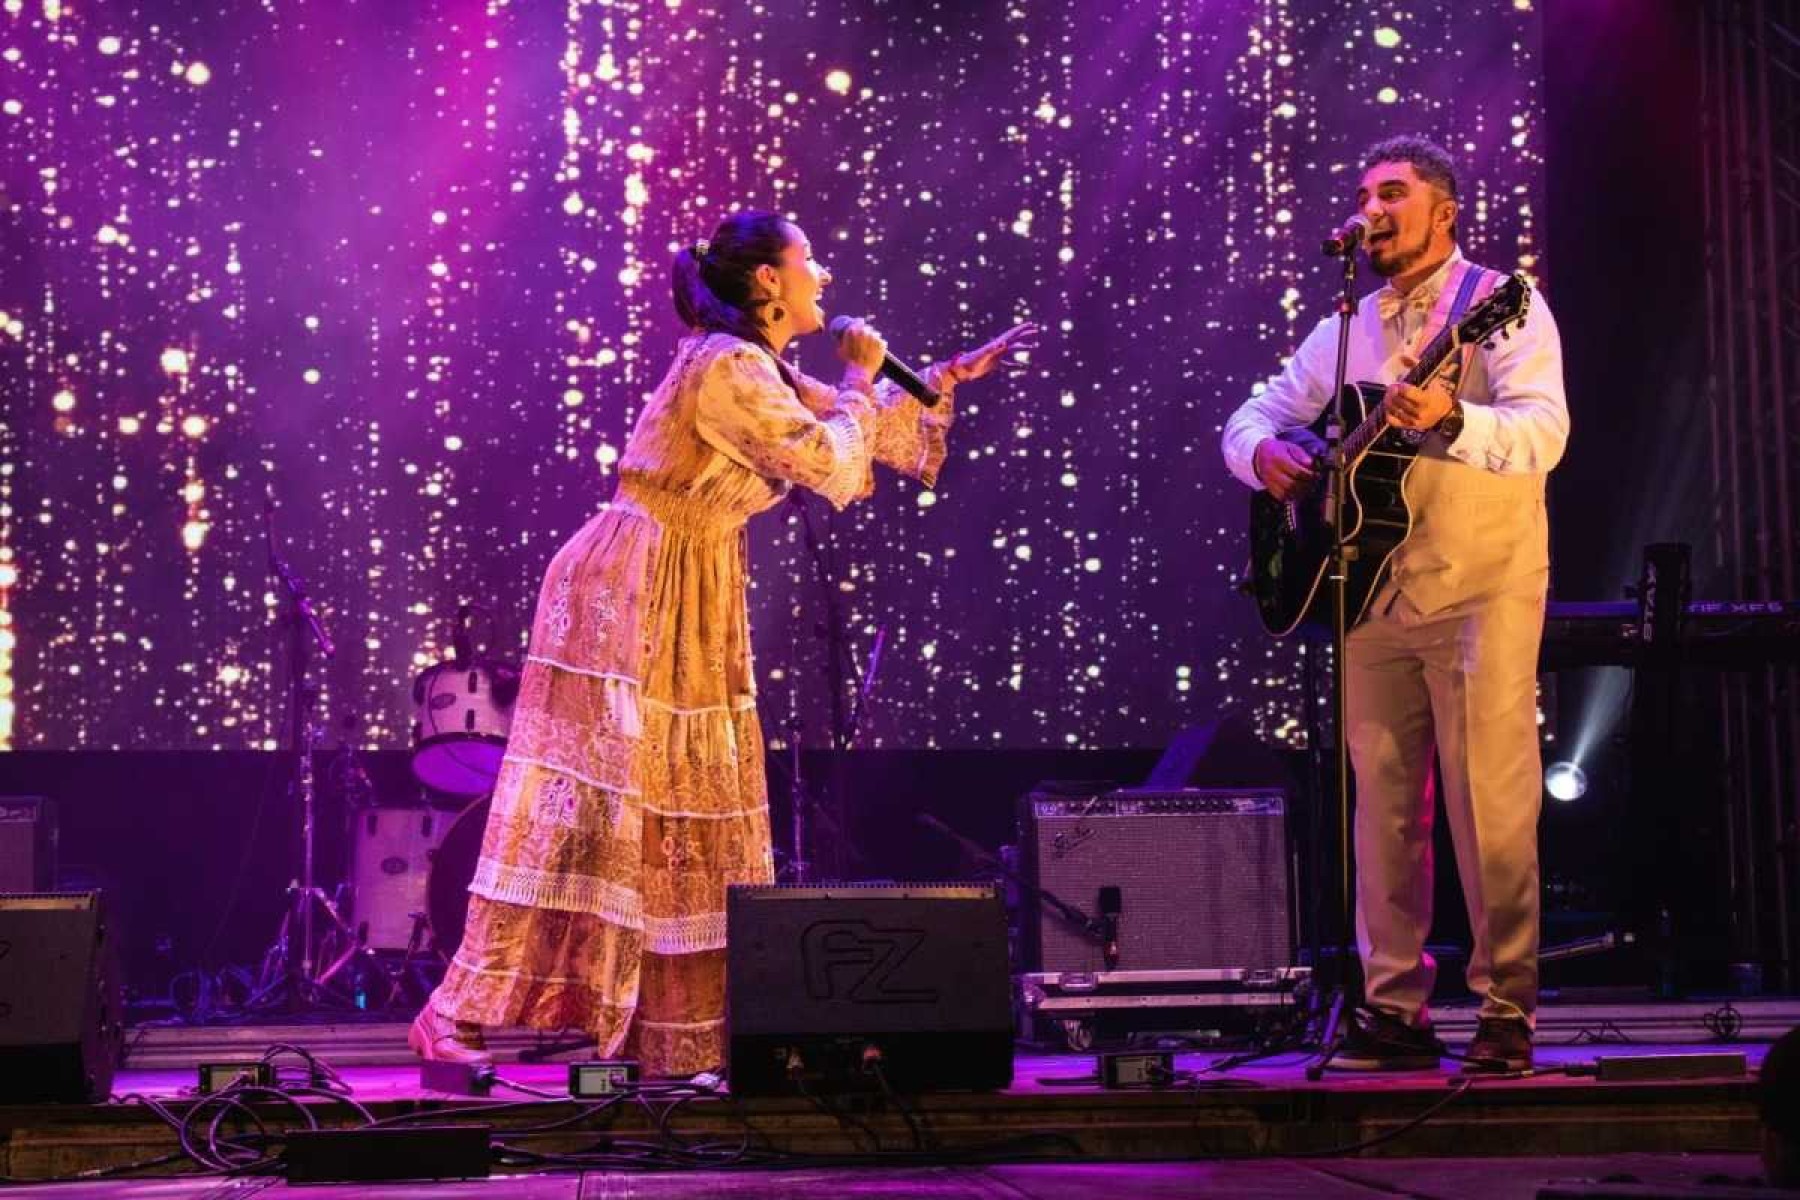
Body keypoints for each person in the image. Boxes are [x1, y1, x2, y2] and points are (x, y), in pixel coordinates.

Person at [409, 210, 1036, 1077]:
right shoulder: (728, 364)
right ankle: (455, 1014)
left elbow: (866, 434)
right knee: (593, 810)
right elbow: (832, 463)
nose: (825, 273)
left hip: (689, 582)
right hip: (632, 582)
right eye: (809, 257)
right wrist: (858, 378)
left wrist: (933, 381)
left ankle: (673, 1033)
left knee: (673, 810)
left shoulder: (756, 365)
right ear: (770, 283)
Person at [1221, 135, 1569, 1072]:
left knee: (1489, 805)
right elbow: (1252, 414)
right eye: (1364, 194)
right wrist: (1267, 456)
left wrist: (1451, 418)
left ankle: (1505, 1012)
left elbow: (1546, 430)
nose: (1372, 210)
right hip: (1370, 594)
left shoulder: (1503, 303)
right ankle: (1392, 1011)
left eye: (1393, 193)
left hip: (1482, 587)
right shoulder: (1348, 326)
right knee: (1384, 809)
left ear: (1443, 211)